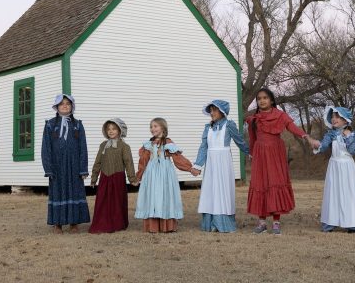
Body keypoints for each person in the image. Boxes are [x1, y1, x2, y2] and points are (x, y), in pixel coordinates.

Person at [246, 88, 320, 235]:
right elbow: (253, 140)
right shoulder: (254, 119)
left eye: (265, 98)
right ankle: (261, 223)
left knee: (275, 182)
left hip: (275, 154)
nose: (262, 100)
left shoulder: (280, 115)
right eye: (259, 98)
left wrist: (307, 137)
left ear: (272, 100)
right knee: (261, 184)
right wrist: (252, 154)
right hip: (260, 155)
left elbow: (292, 128)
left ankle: (276, 222)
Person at [191, 100, 249, 233]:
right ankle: (210, 223)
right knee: (210, 191)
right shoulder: (208, 127)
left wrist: (251, 153)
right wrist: (198, 165)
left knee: (222, 190)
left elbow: (239, 141)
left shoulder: (229, 125)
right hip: (211, 163)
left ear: (222, 112)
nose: (212, 113)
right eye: (210, 110)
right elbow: (204, 147)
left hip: (223, 162)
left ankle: (222, 223)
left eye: (214, 110)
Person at [134, 117, 194, 233]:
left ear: (163, 127)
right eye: (151, 127)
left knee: (165, 195)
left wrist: (189, 168)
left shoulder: (168, 143)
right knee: (152, 196)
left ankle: (167, 225)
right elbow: (143, 162)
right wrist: (138, 176)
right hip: (151, 174)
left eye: (155, 126)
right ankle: (153, 225)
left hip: (165, 173)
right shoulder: (148, 144)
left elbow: (178, 158)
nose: (152, 129)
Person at [41, 94, 90, 234]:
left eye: (68, 103)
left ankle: (74, 223)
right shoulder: (50, 124)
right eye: (61, 103)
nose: (65, 105)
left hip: (74, 166)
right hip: (57, 166)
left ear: (72, 106)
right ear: (56, 106)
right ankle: (58, 224)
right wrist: (48, 168)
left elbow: (83, 147)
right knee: (58, 192)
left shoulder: (78, 125)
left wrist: (83, 168)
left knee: (75, 191)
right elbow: (46, 148)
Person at [313, 106, 355, 233]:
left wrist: (348, 137)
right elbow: (324, 145)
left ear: (345, 120)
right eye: (332, 116)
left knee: (349, 193)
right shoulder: (330, 134)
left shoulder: (353, 134)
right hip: (334, 167)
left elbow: (353, 150)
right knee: (333, 193)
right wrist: (318, 145)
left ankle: (353, 224)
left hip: (347, 167)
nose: (333, 119)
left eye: (337, 116)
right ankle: (330, 223)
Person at [89, 118, 138, 234]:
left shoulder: (124, 146)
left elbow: (128, 163)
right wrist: (94, 178)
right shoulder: (103, 145)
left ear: (120, 131)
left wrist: (132, 179)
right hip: (104, 178)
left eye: (114, 129)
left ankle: (118, 223)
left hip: (117, 178)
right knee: (103, 201)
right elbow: (98, 162)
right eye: (108, 129)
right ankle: (102, 222)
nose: (111, 131)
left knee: (117, 201)